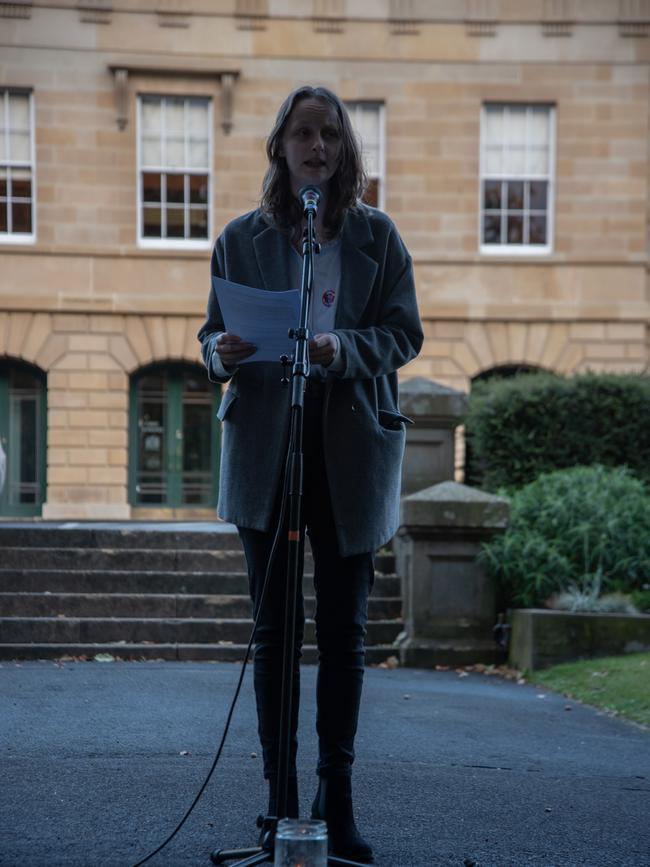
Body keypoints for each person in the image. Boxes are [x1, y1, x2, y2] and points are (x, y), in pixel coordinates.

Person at [198, 84, 422, 863]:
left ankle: (338, 797)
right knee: (273, 637)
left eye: (329, 133)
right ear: (281, 147)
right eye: (302, 133)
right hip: (268, 452)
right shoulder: (241, 238)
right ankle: (279, 803)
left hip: (350, 453)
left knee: (344, 636)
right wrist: (218, 353)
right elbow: (210, 333)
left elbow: (404, 333)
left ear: (345, 149)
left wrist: (344, 351)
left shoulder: (378, 237)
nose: (316, 146)